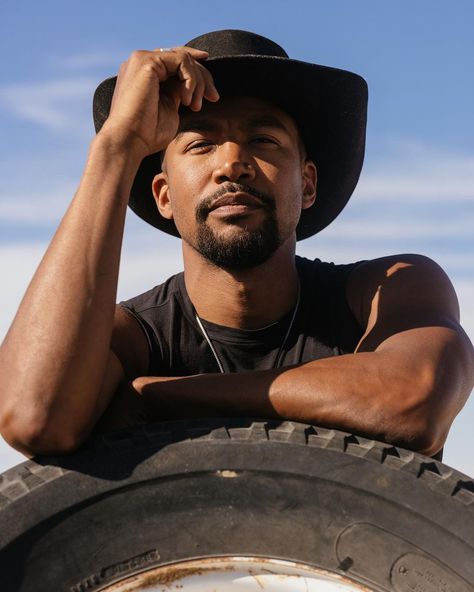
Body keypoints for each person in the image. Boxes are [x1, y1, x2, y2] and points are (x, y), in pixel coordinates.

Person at [0, 30, 472, 461]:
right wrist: (116, 147)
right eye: (200, 145)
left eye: (263, 140)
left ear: (307, 185)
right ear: (163, 195)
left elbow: (414, 402)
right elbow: (34, 417)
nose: (232, 164)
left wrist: (161, 396)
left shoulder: (385, 291)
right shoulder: (134, 337)